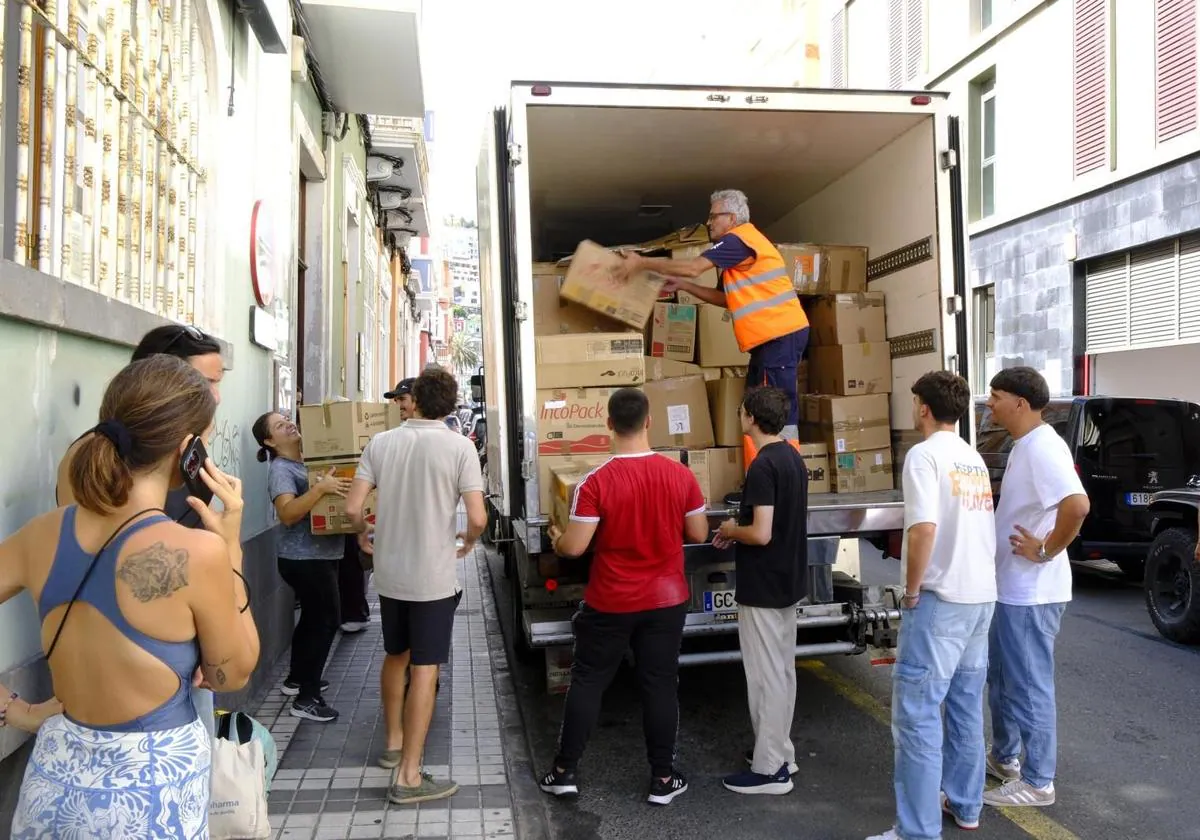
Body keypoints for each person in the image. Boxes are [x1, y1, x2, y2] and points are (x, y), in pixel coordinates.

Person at [5, 354, 258, 837]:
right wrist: (231, 551)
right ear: (189, 449)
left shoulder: (41, 534)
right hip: (150, 797)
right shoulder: (196, 552)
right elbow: (233, 672)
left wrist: (17, 712)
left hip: (51, 790)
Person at [538, 388, 710, 806]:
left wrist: (558, 539)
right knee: (659, 686)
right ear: (649, 422)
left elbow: (576, 548)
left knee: (589, 681)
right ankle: (662, 779)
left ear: (609, 425)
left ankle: (564, 771)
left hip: (610, 601)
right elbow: (699, 534)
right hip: (666, 600)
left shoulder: (594, 482)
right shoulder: (681, 476)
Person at [54, 324, 226, 738]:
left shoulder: (184, 452)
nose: (215, 397)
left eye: (218, 383)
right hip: (122, 678)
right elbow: (91, 562)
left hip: (187, 662)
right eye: (204, 383)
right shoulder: (94, 458)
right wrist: (17, 707)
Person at [866, 371, 997, 840]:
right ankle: (965, 805)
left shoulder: (923, 456)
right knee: (964, 706)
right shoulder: (971, 458)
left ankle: (917, 831)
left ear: (922, 407)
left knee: (918, 716)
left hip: (940, 598)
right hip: (980, 596)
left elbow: (923, 528)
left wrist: (913, 590)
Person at [345, 367, 486, 805]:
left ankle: (392, 744)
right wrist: (469, 540)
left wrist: (362, 534)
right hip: (432, 578)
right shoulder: (460, 446)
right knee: (426, 667)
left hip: (390, 573)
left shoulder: (381, 443)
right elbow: (478, 518)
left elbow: (353, 507)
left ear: (416, 399)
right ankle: (409, 775)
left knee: (395, 655)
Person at [982, 367, 1089, 809]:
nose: (990, 404)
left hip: (1032, 591)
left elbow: (1077, 505)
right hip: (1012, 589)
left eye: (996, 396)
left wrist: (1045, 550)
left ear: (1020, 403)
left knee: (1028, 685)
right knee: (1004, 679)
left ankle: (1039, 781)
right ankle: (1006, 758)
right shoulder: (1026, 444)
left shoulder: (1044, 446)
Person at [620, 189, 809, 438]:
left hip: (779, 335)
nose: (709, 223)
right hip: (771, 338)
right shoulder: (737, 250)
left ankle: (783, 470)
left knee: (773, 413)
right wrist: (684, 286)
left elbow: (692, 267)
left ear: (732, 217)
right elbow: (725, 299)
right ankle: (761, 469)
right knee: (756, 409)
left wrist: (641, 262)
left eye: (713, 217)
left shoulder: (739, 239)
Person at [712, 387, 808, 796]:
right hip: (787, 582)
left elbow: (761, 533)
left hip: (763, 586)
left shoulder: (763, 466)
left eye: (739, 411)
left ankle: (770, 771)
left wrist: (733, 529)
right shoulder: (793, 458)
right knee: (783, 672)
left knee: (765, 677)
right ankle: (781, 753)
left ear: (751, 416)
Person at [252, 411, 352, 722]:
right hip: (304, 559)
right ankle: (307, 698)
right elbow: (287, 513)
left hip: (319, 556)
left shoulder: (304, 464)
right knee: (326, 622)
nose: (289, 424)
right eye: (280, 426)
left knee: (312, 619)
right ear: (270, 441)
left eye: (287, 419)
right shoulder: (281, 470)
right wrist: (320, 490)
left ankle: (297, 679)